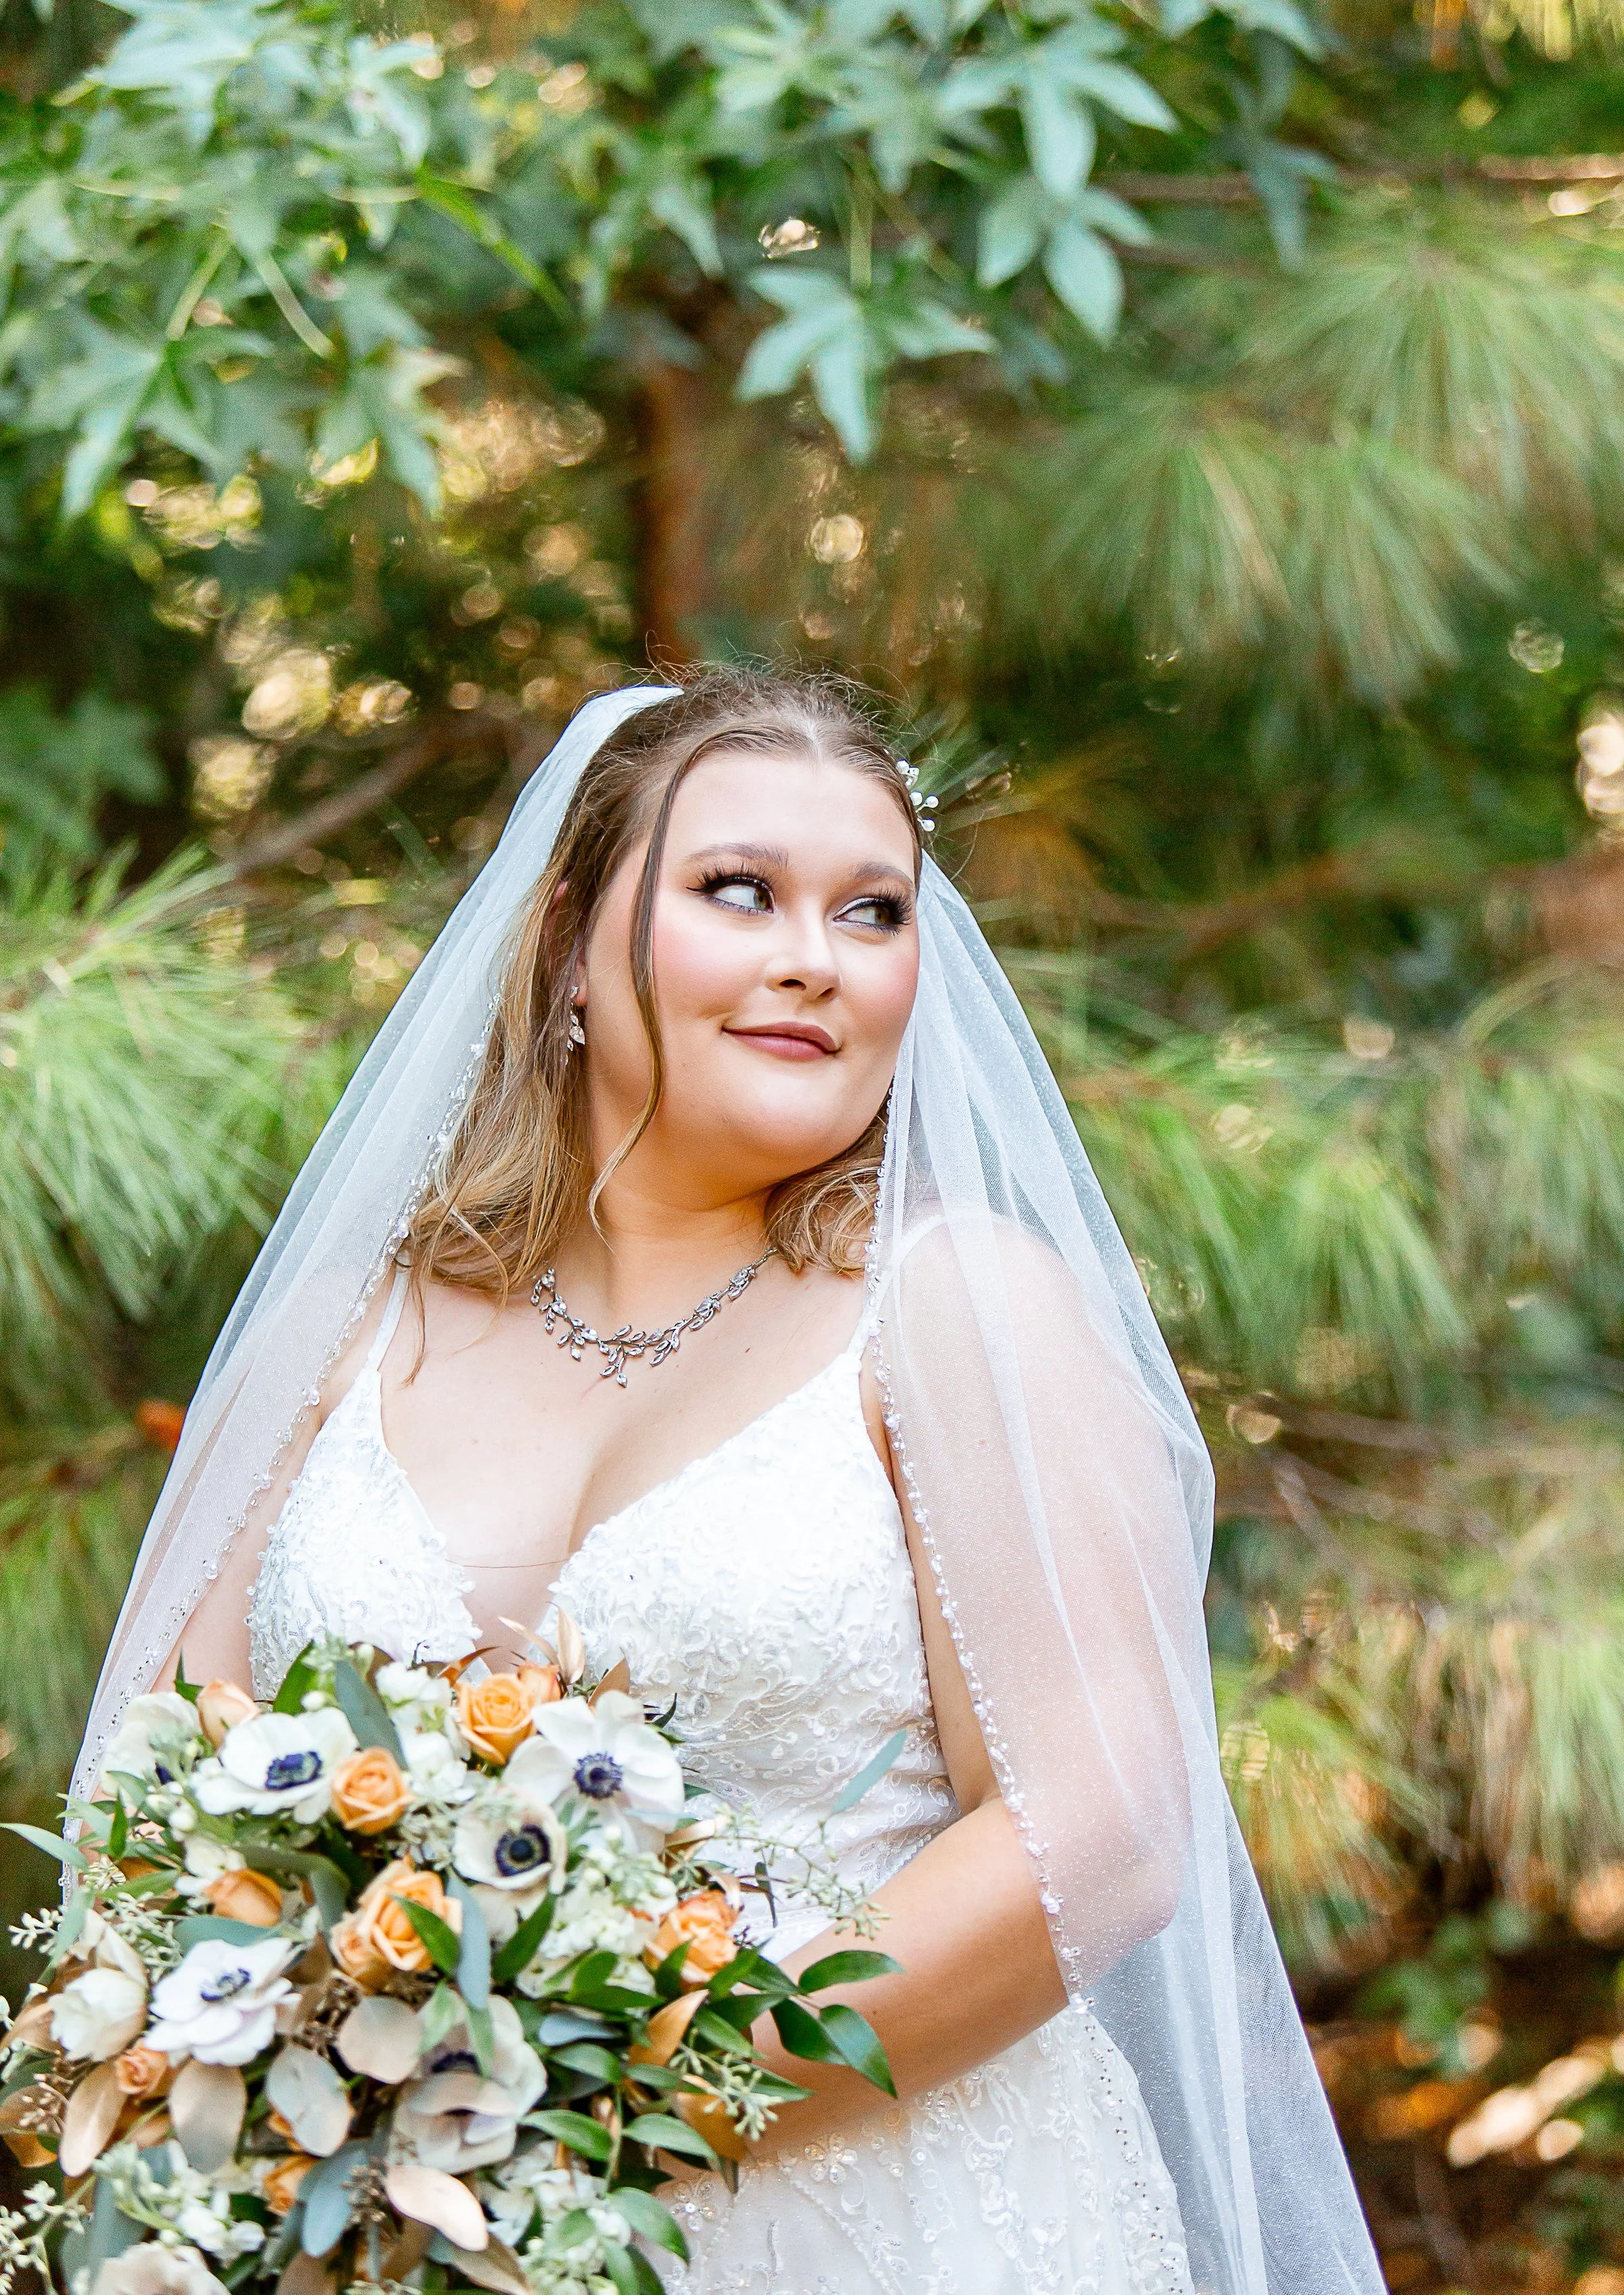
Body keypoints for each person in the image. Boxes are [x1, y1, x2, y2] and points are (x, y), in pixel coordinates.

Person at [76, 667, 1385, 2294]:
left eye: (873, 912)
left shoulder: (957, 1308)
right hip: (396, 2230)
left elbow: (1099, 1834)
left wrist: (596, 2110)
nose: (813, 958)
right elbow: (155, 1793)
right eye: (739, 890)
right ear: (570, 941)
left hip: (883, 2217)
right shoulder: (345, 1333)